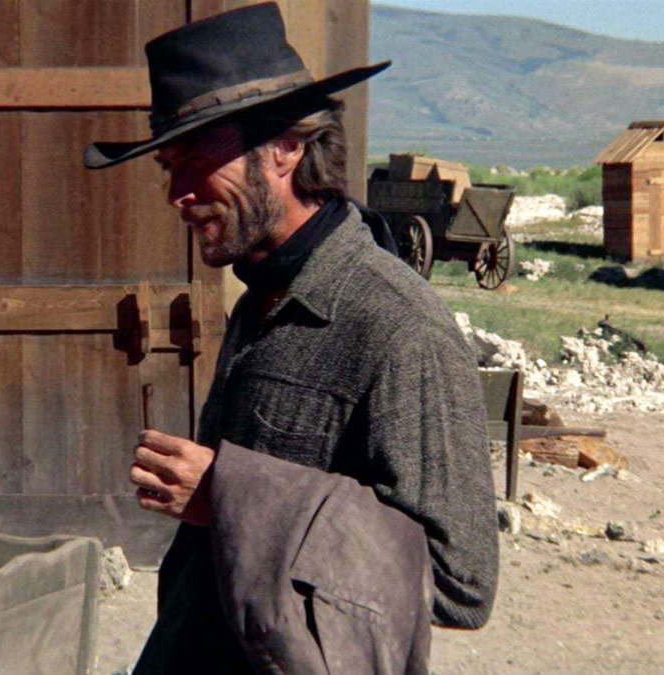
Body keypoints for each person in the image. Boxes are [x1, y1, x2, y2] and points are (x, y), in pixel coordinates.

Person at [84, 4, 498, 672]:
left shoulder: (399, 326)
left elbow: (461, 582)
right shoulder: (262, 297)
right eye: (168, 166)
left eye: (197, 158)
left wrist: (233, 497)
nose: (177, 193)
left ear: (286, 147)